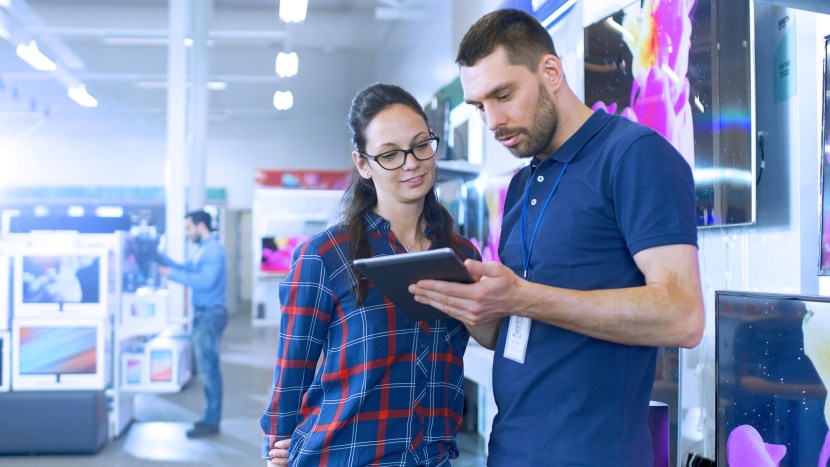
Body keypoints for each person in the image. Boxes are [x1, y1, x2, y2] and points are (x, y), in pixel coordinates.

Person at [409, 9, 705, 466]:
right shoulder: (523, 184)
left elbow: (683, 317)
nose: (493, 121)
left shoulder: (634, 155)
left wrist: (522, 297)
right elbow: (507, 334)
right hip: (509, 449)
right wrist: (462, 300)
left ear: (550, 71)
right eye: (480, 107)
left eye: (503, 95)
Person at [259, 83, 497, 466]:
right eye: (389, 154)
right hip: (344, 456)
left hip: (432, 458)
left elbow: (488, 337)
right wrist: (276, 445)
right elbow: (292, 370)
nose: (411, 163)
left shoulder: (461, 256)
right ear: (363, 164)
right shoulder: (326, 256)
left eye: (421, 145)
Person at [156, 209, 228, 439]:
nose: (187, 233)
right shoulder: (204, 250)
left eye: (188, 227)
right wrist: (159, 258)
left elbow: (205, 282)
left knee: (209, 370)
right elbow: (187, 268)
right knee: (208, 368)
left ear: (200, 226)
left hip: (210, 315)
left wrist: (170, 274)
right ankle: (210, 417)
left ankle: (211, 420)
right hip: (204, 314)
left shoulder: (213, 251)